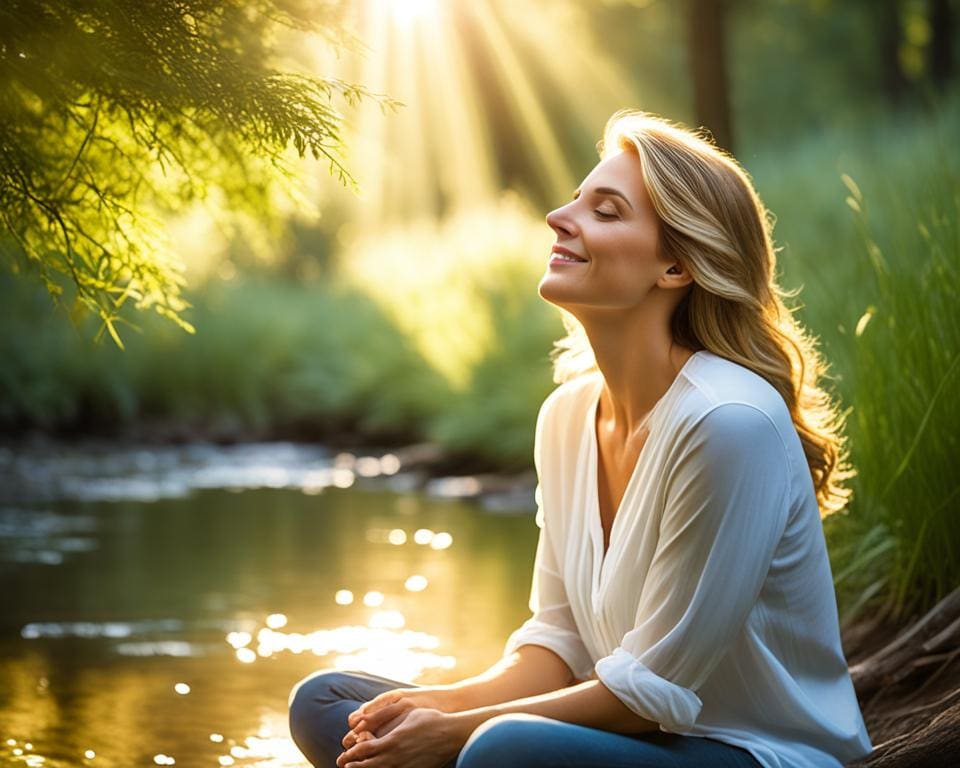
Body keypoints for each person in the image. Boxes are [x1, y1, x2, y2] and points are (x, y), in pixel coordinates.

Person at [288, 110, 875, 768]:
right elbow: (558, 644)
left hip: (751, 751)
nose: (559, 219)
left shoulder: (727, 422)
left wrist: (456, 733)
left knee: (501, 750)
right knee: (327, 703)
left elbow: (648, 695)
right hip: (624, 740)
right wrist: (435, 709)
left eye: (605, 210)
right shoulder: (566, 417)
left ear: (675, 266)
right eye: (574, 200)